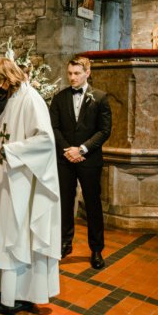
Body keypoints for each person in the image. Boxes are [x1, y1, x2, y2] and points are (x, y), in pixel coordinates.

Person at [0, 58, 60, 311]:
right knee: (7, 232)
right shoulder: (14, 99)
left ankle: (22, 293)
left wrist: (3, 151)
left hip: (25, 181)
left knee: (19, 234)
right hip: (10, 178)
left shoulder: (31, 99)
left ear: (8, 78)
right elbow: (0, 131)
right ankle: (4, 289)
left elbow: (45, 141)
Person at [49, 56, 112, 270]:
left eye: (76, 73)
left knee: (92, 204)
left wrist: (82, 149)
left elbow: (104, 130)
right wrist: (68, 150)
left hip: (89, 159)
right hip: (65, 159)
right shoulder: (59, 98)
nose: (72, 77)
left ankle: (96, 249)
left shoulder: (100, 98)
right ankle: (65, 242)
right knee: (65, 202)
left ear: (87, 72)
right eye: (70, 73)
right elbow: (53, 128)